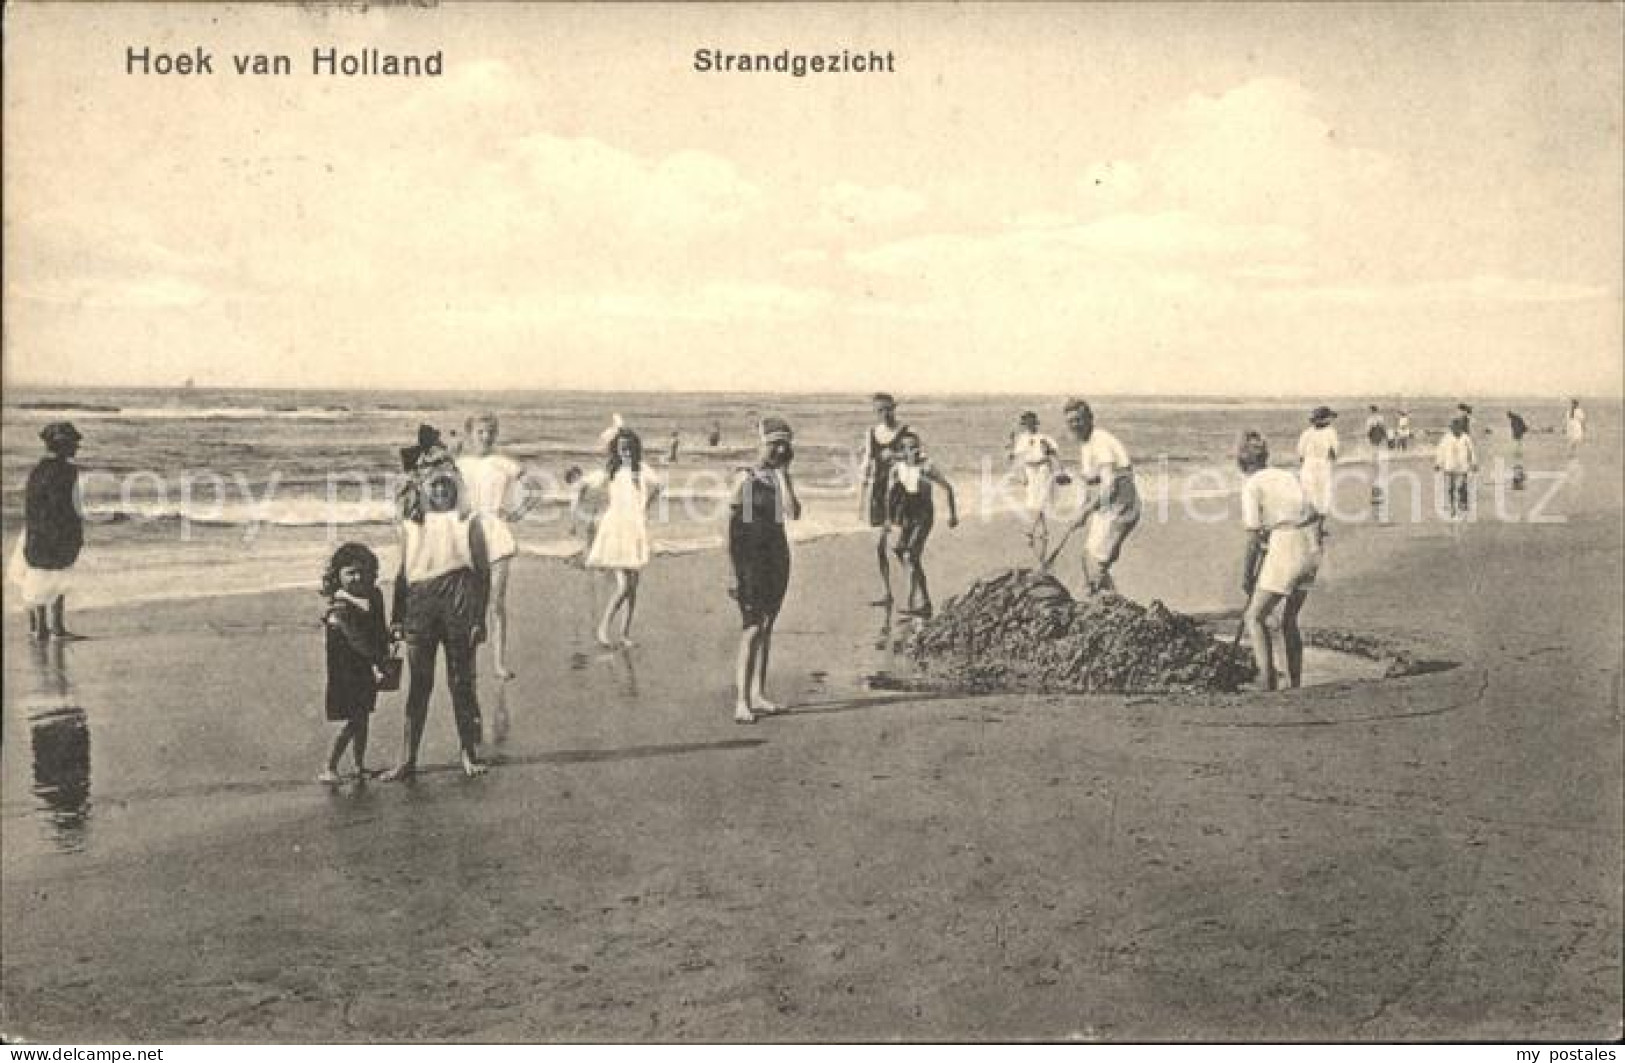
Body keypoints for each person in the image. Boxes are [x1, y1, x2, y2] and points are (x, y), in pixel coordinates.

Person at [383, 468, 491, 780]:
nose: (442, 491)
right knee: (419, 685)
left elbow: (483, 574)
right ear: (423, 489)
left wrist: (478, 619)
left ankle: (468, 754)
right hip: (420, 604)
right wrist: (396, 618)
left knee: (461, 683)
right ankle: (407, 760)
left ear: (456, 488)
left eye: (447, 485)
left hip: (458, 602)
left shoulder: (468, 521)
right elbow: (402, 574)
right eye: (435, 485)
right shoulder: (410, 525)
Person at [729, 418, 802, 724]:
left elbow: (793, 513)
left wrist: (783, 475)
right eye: (773, 444)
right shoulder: (744, 478)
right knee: (752, 628)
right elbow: (732, 529)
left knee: (768, 625)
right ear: (761, 444)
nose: (779, 449)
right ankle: (742, 701)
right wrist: (731, 571)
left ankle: (759, 693)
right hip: (750, 558)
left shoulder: (778, 478)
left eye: (783, 444)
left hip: (778, 555)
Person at [1236, 431, 1322, 691]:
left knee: (1254, 617)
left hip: (1286, 546)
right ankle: (1295, 682)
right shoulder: (1287, 475)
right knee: (1289, 620)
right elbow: (1312, 512)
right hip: (1311, 545)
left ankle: (1267, 679)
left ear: (1242, 463)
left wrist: (1246, 575)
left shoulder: (1252, 485)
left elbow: (1252, 535)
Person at [456, 413, 532, 680]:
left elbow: (534, 488)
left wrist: (518, 511)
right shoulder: (458, 463)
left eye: (490, 432)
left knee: (496, 603)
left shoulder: (503, 463)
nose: (486, 437)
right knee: (465, 603)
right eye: (480, 432)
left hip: (496, 531)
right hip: (464, 532)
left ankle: (499, 663)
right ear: (470, 434)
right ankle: (467, 662)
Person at [582, 421, 664, 648]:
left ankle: (625, 633)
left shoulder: (641, 469)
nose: (625, 451)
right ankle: (603, 628)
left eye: (629, 447)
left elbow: (658, 486)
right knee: (623, 586)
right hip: (616, 528)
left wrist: (645, 507)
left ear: (635, 448)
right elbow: (586, 484)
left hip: (634, 528)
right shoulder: (611, 470)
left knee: (633, 586)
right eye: (621, 447)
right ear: (616, 449)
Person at [319, 543, 392, 783]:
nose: (357, 577)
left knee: (363, 718)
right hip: (346, 671)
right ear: (337, 575)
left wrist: (390, 640)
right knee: (354, 720)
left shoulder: (373, 596)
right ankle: (329, 767)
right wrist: (380, 662)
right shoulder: (339, 607)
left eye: (362, 571)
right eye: (350, 572)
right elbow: (357, 640)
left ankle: (360, 765)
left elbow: (378, 629)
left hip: (365, 667)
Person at [15, 422, 87, 641]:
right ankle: (56, 628)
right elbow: (67, 505)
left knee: (38, 576)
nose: (77, 447)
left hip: (36, 530)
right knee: (58, 577)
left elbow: (32, 504)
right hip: (57, 529)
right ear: (63, 445)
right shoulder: (67, 471)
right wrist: (76, 531)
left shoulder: (38, 470)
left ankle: (39, 628)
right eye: (74, 443)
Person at [1063, 399, 1140, 595]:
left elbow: (1111, 484)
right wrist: (1080, 510)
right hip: (1109, 503)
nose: (1074, 425)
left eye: (1078, 420)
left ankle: (1104, 604)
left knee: (1096, 560)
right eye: (1070, 421)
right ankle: (1108, 602)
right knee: (1088, 558)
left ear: (1090, 419)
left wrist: (1086, 512)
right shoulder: (1086, 444)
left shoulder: (1100, 441)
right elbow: (1091, 480)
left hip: (1123, 503)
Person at [887, 431, 959, 620]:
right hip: (906, 514)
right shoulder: (897, 468)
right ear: (902, 450)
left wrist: (953, 514)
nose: (914, 450)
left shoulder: (927, 467)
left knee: (911, 554)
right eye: (909, 447)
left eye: (916, 446)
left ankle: (916, 602)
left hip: (924, 514)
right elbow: (891, 495)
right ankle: (922, 599)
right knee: (901, 551)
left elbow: (948, 487)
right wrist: (889, 518)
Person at [858, 393, 909, 608]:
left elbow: (917, 457)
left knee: (900, 547)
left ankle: (913, 590)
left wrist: (898, 458)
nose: (884, 413)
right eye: (879, 410)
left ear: (894, 408)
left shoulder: (905, 431)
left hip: (900, 492)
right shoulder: (871, 433)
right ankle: (887, 592)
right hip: (878, 492)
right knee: (879, 546)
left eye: (887, 409)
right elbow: (867, 464)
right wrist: (862, 496)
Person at [1007, 410, 1060, 562]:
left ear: (1034, 423)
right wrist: (1021, 474)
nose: (1028, 425)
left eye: (1030, 422)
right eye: (1025, 423)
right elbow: (1019, 458)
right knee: (1034, 501)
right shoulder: (1022, 439)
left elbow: (1053, 454)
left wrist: (1058, 469)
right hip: (1030, 470)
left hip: (1043, 468)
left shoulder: (1044, 438)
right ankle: (1043, 530)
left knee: (1041, 500)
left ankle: (1031, 529)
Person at [1296, 406, 1340, 525]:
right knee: (1323, 493)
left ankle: (1312, 517)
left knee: (1310, 492)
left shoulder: (1306, 433)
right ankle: (1320, 524)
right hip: (1323, 464)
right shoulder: (1330, 432)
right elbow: (1334, 453)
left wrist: (1304, 463)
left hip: (1308, 464)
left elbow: (1300, 453)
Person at [1435, 415, 1477, 519]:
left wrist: (1474, 463)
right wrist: (1438, 463)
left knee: (1461, 486)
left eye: (1457, 427)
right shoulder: (1446, 437)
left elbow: (1471, 451)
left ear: (1460, 427)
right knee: (1450, 488)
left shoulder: (1465, 437)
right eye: (1453, 427)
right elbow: (1440, 451)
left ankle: (1462, 503)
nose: (1454, 429)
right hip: (1449, 466)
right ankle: (1452, 507)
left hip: (1463, 466)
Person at [1506, 410, 1529, 490]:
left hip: (1517, 438)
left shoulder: (1514, 420)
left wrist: (1517, 434)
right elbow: (1523, 427)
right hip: (1518, 438)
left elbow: (1517, 429)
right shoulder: (1517, 418)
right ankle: (1519, 474)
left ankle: (1518, 474)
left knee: (1517, 455)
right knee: (1518, 455)